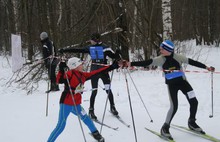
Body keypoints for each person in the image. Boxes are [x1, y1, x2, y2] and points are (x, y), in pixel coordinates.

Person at [122, 40, 215, 140]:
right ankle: (165, 128)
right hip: (172, 85)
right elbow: (147, 62)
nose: (160, 50)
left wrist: (206, 67)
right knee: (174, 106)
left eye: (162, 49)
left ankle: (191, 122)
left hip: (183, 83)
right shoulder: (160, 59)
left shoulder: (178, 57)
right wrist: (130, 63)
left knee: (194, 102)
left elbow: (192, 62)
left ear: (168, 50)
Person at [47, 57, 119, 142]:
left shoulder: (83, 75)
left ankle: (95, 133)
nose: (82, 65)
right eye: (80, 64)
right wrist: (61, 70)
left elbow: (97, 72)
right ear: (75, 66)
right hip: (66, 103)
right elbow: (59, 80)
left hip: (76, 103)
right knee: (61, 125)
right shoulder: (70, 73)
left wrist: (112, 67)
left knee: (86, 118)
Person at [59, 33, 121, 120]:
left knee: (108, 89)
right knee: (94, 91)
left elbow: (114, 57)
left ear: (96, 40)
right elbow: (78, 50)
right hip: (94, 72)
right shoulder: (89, 48)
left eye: (92, 40)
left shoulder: (105, 48)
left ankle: (112, 106)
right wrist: (65, 50)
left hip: (104, 71)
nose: (90, 41)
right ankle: (91, 110)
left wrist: (117, 53)